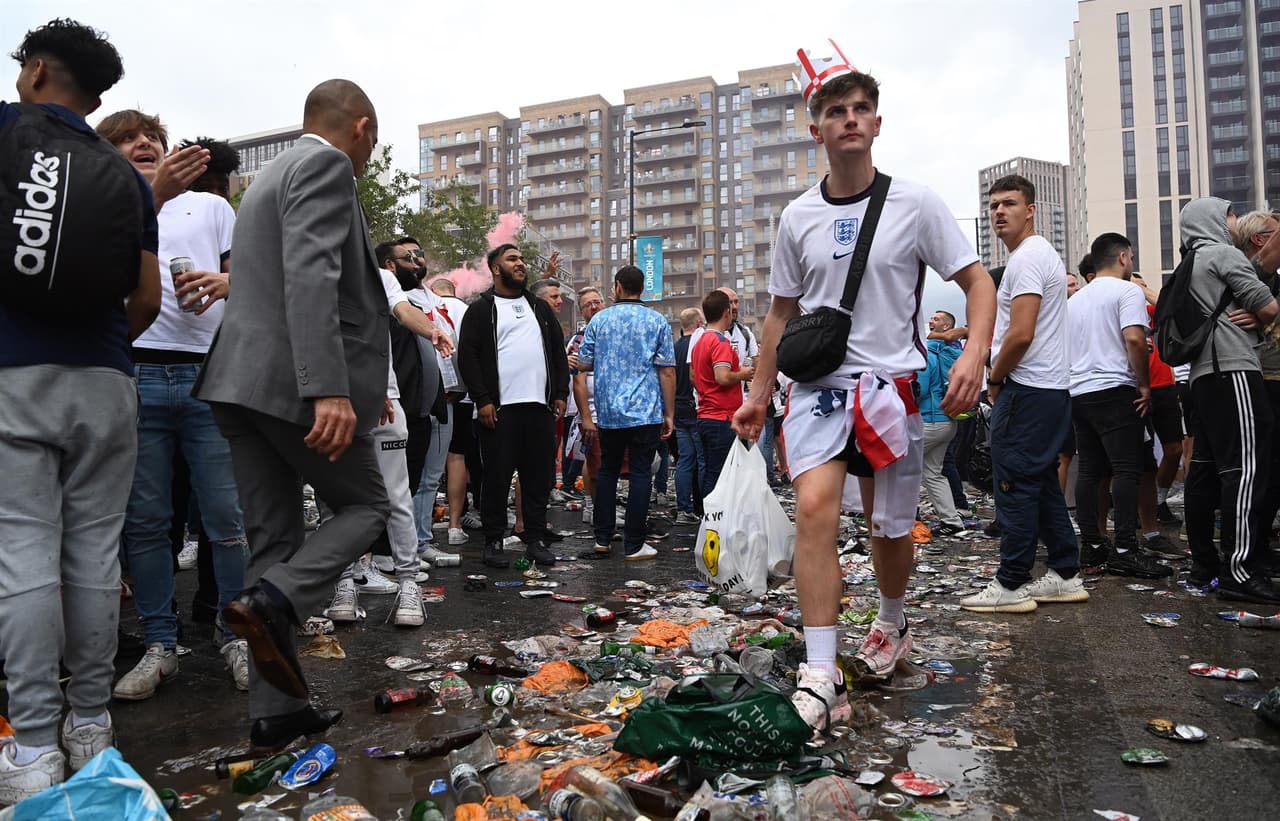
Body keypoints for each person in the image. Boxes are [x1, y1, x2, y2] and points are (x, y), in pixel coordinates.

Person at [732, 47, 995, 733]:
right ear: (815, 129)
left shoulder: (915, 203)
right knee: (814, 509)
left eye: (859, 110)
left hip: (889, 390)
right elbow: (780, 314)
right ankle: (820, 669)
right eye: (834, 111)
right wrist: (759, 393)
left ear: (876, 124)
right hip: (817, 389)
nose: (848, 120)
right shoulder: (796, 218)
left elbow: (977, 281)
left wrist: (974, 351)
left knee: (888, 527)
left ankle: (890, 617)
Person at [194, 79, 391, 750]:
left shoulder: (266, 177)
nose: (368, 154)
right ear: (361, 127)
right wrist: (327, 386)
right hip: (292, 386)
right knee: (369, 508)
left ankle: (274, 714)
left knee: (273, 541)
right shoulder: (327, 164)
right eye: (373, 140)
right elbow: (310, 273)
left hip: (238, 382)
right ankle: (279, 603)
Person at [0, 18, 161, 803]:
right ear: (96, 98)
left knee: (23, 554)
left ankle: (33, 747)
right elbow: (148, 297)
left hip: (12, 372)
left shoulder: (5, 129)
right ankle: (90, 724)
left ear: (35, 72)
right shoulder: (126, 177)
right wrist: (105, 349)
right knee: (95, 553)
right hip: (107, 376)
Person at [96, 109, 251, 698]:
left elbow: (252, 280)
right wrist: (144, 200)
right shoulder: (104, 206)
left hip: (206, 376)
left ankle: (236, 636)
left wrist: (226, 283)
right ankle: (161, 644)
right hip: (133, 372)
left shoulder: (211, 207)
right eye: (128, 139)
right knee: (147, 523)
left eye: (152, 138)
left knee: (226, 520)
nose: (143, 144)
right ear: (107, 153)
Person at [961, 174, 1083, 613]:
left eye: (1009, 203)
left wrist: (995, 378)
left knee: (1012, 483)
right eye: (993, 205)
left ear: (1030, 210)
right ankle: (1066, 573)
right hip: (1048, 389)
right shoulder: (1038, 255)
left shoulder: (1027, 259)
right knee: (1040, 481)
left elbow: (1021, 333)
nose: (999, 212)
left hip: (1028, 388)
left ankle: (1011, 583)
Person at [1178, 198, 1280, 604]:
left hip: (1203, 375)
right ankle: (1240, 570)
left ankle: (1206, 564)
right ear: (1215, 221)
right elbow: (1269, 306)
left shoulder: (1190, 262)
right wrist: (1262, 314)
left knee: (1205, 468)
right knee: (1246, 469)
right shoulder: (1221, 253)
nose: (1235, 221)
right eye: (1231, 214)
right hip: (1234, 368)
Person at [456, 244, 569, 569]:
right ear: (495, 268)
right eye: (512, 259)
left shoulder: (539, 309)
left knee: (538, 478)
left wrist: (559, 393)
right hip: (500, 411)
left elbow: (557, 354)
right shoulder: (481, 310)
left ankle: (534, 539)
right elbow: (468, 357)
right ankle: (493, 540)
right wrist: (483, 400)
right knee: (496, 478)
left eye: (521, 259)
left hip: (540, 408)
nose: (520, 264)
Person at [1065, 233, 1170, 579]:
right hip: (1115, 388)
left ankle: (1092, 545)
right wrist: (1143, 383)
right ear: (1124, 257)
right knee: (1127, 469)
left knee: (1091, 470)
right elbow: (1135, 338)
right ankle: (1126, 548)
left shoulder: (1075, 301)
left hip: (1079, 392)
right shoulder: (1128, 291)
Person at [575, 265, 677, 561]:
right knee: (641, 473)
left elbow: (584, 363)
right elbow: (667, 371)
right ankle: (634, 544)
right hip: (645, 410)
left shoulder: (599, 321)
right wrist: (668, 413)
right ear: (641, 288)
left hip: (608, 411)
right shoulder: (657, 321)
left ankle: (602, 539)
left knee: (607, 471)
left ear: (617, 286)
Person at [1237, 211, 1280, 563]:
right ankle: (1255, 550)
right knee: (1265, 469)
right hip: (1265, 381)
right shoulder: (1249, 274)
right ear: (1260, 240)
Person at [430, 276, 482, 547]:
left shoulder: (424, 306)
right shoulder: (467, 311)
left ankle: (420, 526)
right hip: (462, 394)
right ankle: (454, 524)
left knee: (423, 462)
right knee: (456, 457)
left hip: (427, 392)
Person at [691, 290, 754, 495]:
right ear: (726, 313)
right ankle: (716, 522)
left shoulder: (699, 342)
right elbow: (723, 377)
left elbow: (695, 376)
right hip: (722, 417)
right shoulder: (720, 342)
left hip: (706, 414)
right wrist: (743, 374)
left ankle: (710, 521)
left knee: (711, 471)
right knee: (721, 476)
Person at [917, 311, 965, 535]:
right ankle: (952, 521)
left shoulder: (928, 353)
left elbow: (921, 389)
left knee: (895, 465)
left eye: (936, 319)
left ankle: (902, 517)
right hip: (948, 421)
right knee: (933, 472)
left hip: (930, 420)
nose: (930, 322)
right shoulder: (954, 351)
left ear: (947, 327)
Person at [673, 307, 705, 524]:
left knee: (685, 460)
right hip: (695, 407)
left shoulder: (674, 348)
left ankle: (684, 508)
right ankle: (704, 507)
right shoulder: (700, 345)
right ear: (698, 324)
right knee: (703, 460)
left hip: (677, 407)